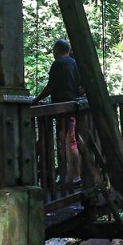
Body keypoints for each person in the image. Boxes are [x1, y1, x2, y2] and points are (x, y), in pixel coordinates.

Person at [34, 39, 83, 184]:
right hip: (73, 107)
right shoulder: (75, 63)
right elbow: (81, 86)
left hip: (62, 108)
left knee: (63, 142)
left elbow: (50, 87)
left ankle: (66, 177)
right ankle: (75, 175)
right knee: (72, 141)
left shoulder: (58, 64)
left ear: (57, 49)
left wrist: (35, 100)